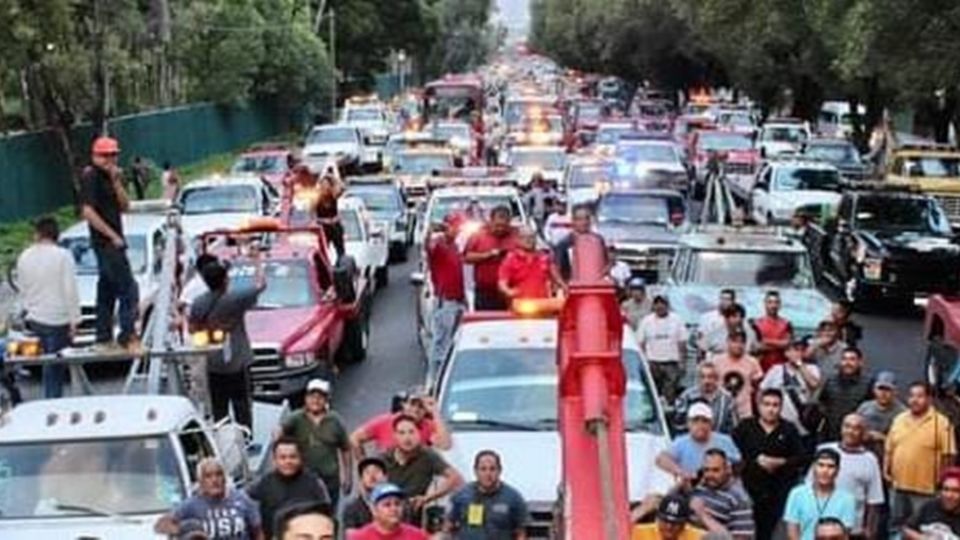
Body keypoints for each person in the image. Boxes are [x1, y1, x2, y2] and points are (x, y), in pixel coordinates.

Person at [188, 251, 265, 429]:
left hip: (213, 362)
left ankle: (223, 440)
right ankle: (246, 439)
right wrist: (257, 261)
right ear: (225, 280)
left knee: (219, 408)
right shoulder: (236, 299)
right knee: (242, 405)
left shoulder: (198, 302)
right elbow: (261, 285)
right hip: (237, 362)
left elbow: (192, 327)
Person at [80, 136, 141, 352]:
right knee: (128, 288)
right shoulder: (91, 176)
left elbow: (126, 206)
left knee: (106, 290)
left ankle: (103, 337)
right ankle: (127, 335)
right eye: (105, 155)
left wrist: (116, 181)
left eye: (113, 155)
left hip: (111, 240)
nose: (110, 159)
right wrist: (112, 235)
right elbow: (87, 211)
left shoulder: (109, 177)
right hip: (106, 242)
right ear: (95, 156)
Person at [15, 217, 80, 398]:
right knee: (55, 366)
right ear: (56, 235)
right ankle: (52, 401)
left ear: (38, 234)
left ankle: (46, 400)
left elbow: (23, 289)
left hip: (34, 318)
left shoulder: (24, 256)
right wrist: (75, 320)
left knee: (45, 363)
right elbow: (70, 290)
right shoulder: (63, 256)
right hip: (57, 319)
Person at [733, 388, 806, 540]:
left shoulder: (789, 429)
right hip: (747, 490)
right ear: (759, 406)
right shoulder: (746, 427)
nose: (771, 409)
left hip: (776, 491)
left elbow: (802, 458)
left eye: (775, 405)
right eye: (766, 404)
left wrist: (781, 462)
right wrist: (755, 460)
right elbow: (733, 453)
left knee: (767, 532)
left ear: (781, 407)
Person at [886, 382, 956, 529]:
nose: (914, 400)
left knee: (922, 528)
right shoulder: (899, 419)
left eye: (920, 396)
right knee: (895, 526)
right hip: (898, 487)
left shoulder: (941, 422)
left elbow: (949, 455)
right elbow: (889, 448)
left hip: (926, 491)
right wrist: (886, 468)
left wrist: (941, 482)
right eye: (911, 396)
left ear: (929, 399)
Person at [809, 414, 884, 539]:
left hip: (853, 530)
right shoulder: (824, 450)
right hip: (820, 528)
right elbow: (808, 488)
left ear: (863, 432)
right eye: (847, 426)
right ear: (841, 428)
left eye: (856, 428)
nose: (850, 431)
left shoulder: (870, 460)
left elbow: (874, 500)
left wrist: (870, 531)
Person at [280, 379, 352, 508]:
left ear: (326, 400)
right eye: (312, 396)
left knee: (328, 513)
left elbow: (345, 448)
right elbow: (279, 435)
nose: (315, 400)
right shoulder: (296, 418)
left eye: (320, 397)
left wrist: (347, 476)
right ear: (306, 398)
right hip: (302, 478)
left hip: (329, 478)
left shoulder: (335, 420)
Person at [380, 415, 464, 523]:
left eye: (411, 432)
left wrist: (427, 498)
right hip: (387, 508)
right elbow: (366, 482)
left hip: (413, 510)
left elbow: (455, 478)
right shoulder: (384, 457)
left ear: (419, 433)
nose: (407, 437)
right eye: (402, 433)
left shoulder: (427, 455)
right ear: (395, 436)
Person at [155, 458, 263, 540]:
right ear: (200, 481)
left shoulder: (241, 499)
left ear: (224, 478)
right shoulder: (192, 504)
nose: (214, 480)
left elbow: (258, 530)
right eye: (208, 476)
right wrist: (181, 530)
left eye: (218, 474)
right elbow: (160, 525)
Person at [247, 437, 331, 540]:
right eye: (283, 457)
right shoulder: (263, 484)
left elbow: (326, 516)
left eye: (293, 457)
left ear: (301, 458)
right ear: (274, 460)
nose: (288, 461)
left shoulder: (314, 483)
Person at [446, 450, 529, 539]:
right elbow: (448, 527)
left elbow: (521, 533)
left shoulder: (514, 498)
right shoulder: (460, 495)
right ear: (475, 471)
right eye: (483, 469)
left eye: (492, 469)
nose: (488, 474)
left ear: (499, 471)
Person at [783, 448, 857, 540]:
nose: (825, 470)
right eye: (821, 465)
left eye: (830, 466)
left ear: (837, 470)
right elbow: (792, 533)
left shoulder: (848, 499)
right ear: (814, 467)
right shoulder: (797, 494)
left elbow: (844, 535)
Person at [656, 402, 742, 481]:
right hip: (692, 489)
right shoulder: (681, 442)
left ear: (711, 423)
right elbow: (661, 459)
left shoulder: (725, 441)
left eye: (704, 421)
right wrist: (681, 472)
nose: (700, 425)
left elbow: (738, 464)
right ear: (688, 423)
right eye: (695, 420)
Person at [426, 214, 467, 383]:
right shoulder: (439, 245)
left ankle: (450, 375)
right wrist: (431, 233)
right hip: (445, 301)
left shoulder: (456, 246)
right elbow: (429, 247)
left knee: (455, 339)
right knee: (441, 341)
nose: (457, 230)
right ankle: (435, 380)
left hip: (458, 299)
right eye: (454, 227)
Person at [350, 392, 452, 456]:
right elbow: (354, 438)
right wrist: (365, 466)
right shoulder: (385, 421)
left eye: (421, 406)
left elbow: (445, 445)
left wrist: (435, 412)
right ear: (404, 405)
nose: (416, 409)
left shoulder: (427, 425)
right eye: (412, 404)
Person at [759, 340, 822, 441]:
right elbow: (762, 391)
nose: (797, 353)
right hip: (778, 423)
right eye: (793, 350)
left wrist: (800, 365)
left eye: (800, 350)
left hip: (803, 424)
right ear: (786, 353)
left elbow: (814, 384)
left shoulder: (812, 368)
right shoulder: (776, 370)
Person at [689, 449, 755, 539]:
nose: (710, 475)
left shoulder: (739, 498)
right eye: (706, 470)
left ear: (727, 469)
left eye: (715, 470)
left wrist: (702, 514)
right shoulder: (702, 486)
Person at [464, 206, 520, 310]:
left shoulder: (517, 235)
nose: (500, 229)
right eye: (497, 225)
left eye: (504, 226)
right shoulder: (479, 235)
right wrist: (488, 255)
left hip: (511, 291)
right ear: (491, 221)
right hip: (485, 292)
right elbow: (466, 257)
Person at [638, 295, 688, 403]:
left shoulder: (677, 319)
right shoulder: (646, 321)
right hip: (653, 363)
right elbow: (641, 342)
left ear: (667, 305)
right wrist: (643, 362)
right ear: (653, 306)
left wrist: (683, 363)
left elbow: (682, 342)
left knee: (669, 393)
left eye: (662, 303)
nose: (660, 306)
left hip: (671, 363)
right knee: (653, 392)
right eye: (657, 303)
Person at [817, 347, 873, 442]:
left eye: (852, 359)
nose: (847, 363)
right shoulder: (830, 381)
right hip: (831, 434)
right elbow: (821, 402)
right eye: (844, 359)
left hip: (856, 436)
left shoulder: (868, 383)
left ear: (860, 362)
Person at [498, 226, 564, 301]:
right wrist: (508, 291)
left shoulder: (545, 257)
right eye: (524, 237)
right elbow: (502, 283)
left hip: (543, 304)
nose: (528, 240)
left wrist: (563, 288)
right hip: (521, 304)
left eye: (531, 237)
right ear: (517, 240)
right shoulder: (510, 259)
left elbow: (558, 279)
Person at [673, 362, 738, 435]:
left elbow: (733, 427)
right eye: (702, 377)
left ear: (716, 379)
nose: (706, 381)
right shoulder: (687, 396)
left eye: (710, 377)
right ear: (698, 379)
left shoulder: (727, 399)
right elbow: (678, 425)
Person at [347, 483, 430, 540]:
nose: (394, 509)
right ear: (374, 510)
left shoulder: (418, 536)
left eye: (397, 504)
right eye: (387, 505)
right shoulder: (359, 537)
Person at [856, 370, 906, 460]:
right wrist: (863, 435)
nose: (883, 393)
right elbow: (853, 431)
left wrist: (883, 438)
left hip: (889, 458)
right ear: (874, 390)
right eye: (880, 389)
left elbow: (905, 442)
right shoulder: (864, 408)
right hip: (863, 455)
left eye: (888, 389)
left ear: (895, 392)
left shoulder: (902, 413)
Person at [712, 332, 763, 420]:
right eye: (734, 341)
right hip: (721, 409)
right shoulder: (716, 361)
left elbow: (758, 386)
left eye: (742, 342)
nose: (738, 345)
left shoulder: (752, 362)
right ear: (728, 342)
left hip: (745, 411)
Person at [552, 203, 609, 281]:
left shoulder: (598, 240)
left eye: (587, 218)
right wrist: (565, 286)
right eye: (580, 219)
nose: (584, 222)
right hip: (573, 287)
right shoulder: (564, 244)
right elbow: (556, 268)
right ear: (573, 221)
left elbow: (606, 263)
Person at [903, 467, 960, 539]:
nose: (949, 495)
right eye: (946, 489)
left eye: (955, 491)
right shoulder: (930, 506)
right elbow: (907, 529)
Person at [750, 290, 793, 373]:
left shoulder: (786, 324)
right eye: (770, 302)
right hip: (761, 367)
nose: (773, 305)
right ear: (765, 304)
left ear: (780, 305)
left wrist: (765, 341)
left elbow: (787, 344)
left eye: (776, 302)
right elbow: (755, 347)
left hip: (781, 367)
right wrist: (780, 345)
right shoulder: (756, 324)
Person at [342, 457, 389, 532]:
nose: (372, 476)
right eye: (367, 472)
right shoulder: (352, 508)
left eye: (376, 471)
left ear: (385, 477)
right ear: (361, 479)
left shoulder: (398, 505)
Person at [631, 494, 706, 540]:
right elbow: (619, 531)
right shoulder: (640, 532)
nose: (669, 526)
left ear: (684, 523)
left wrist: (703, 515)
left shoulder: (697, 536)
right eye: (665, 521)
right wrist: (642, 509)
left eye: (675, 523)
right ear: (657, 518)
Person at [316, 164, 346, 260]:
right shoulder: (316, 198)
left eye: (327, 185)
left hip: (334, 226)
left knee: (340, 249)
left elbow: (342, 188)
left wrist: (332, 177)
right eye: (323, 185)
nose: (325, 187)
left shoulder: (333, 195)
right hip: (322, 227)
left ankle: (340, 264)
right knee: (323, 250)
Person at [697, 289, 737, 354]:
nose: (724, 302)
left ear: (733, 301)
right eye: (722, 298)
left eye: (727, 299)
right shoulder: (706, 317)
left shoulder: (736, 318)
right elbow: (701, 337)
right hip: (711, 355)